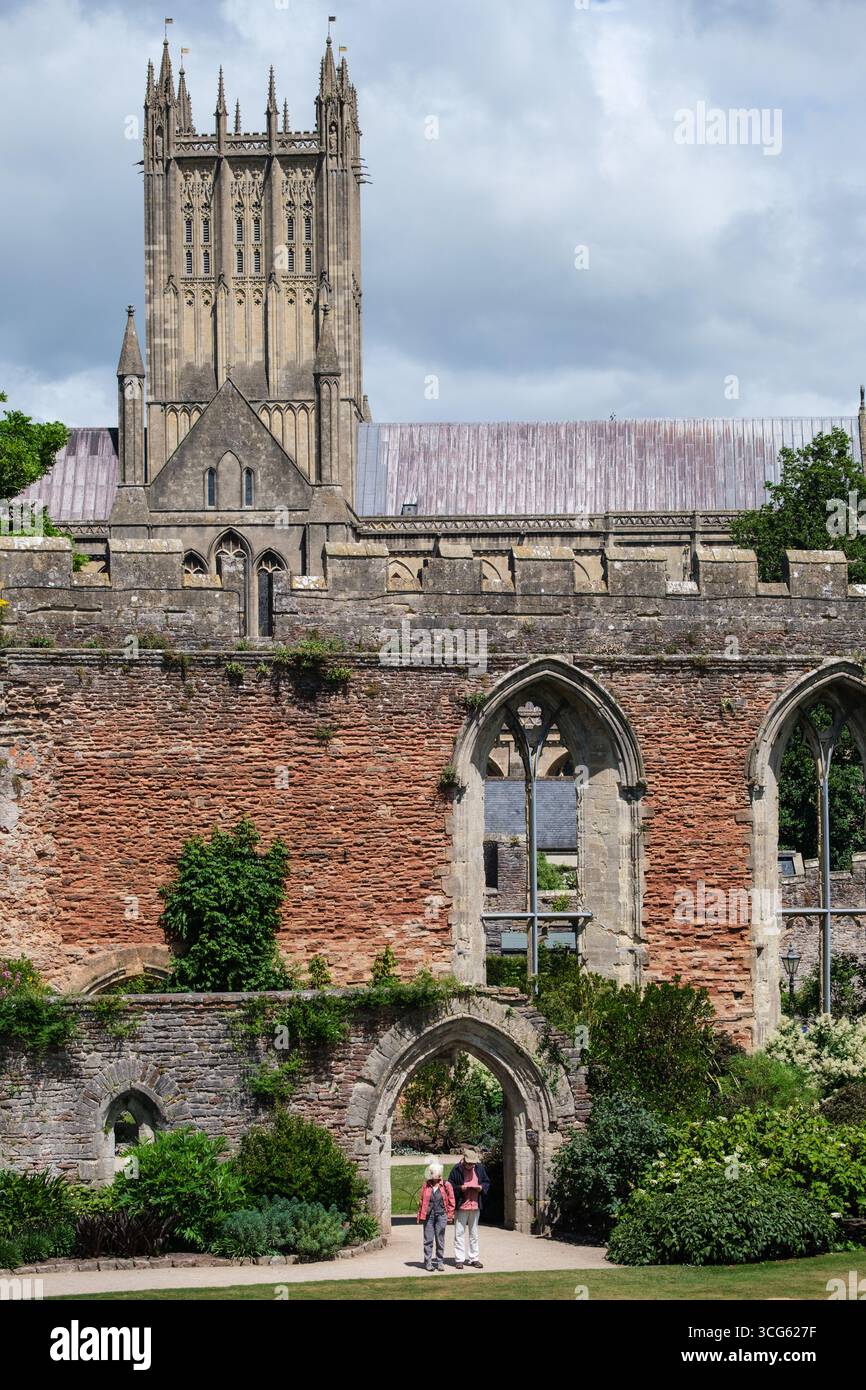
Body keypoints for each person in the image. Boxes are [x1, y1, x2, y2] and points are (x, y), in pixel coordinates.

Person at [448, 1147, 490, 1270]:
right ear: (464, 1160)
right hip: (462, 1205)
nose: (471, 1165)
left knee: (474, 1233)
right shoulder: (456, 1169)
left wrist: (481, 1188)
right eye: (469, 1163)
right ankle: (459, 1260)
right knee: (459, 1233)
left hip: (475, 1204)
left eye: (473, 1163)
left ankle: (474, 1258)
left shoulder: (479, 1168)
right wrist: (460, 1188)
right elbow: (450, 1185)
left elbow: (486, 1182)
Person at [416, 1160, 455, 1271]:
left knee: (440, 1239)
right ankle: (428, 1262)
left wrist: (450, 1215)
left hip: (441, 1215)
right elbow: (421, 1201)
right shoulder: (426, 1185)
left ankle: (440, 1262)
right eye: (431, 1172)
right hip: (429, 1216)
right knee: (428, 1240)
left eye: (433, 1172)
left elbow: (452, 1201)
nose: (431, 1174)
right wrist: (420, 1215)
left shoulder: (446, 1185)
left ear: (438, 1173)